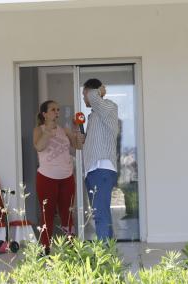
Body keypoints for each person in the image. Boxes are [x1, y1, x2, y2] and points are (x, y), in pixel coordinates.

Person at [33, 100, 83, 254]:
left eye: (58, 109)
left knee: (67, 213)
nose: (57, 112)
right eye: (53, 109)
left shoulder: (64, 130)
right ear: (45, 114)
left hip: (67, 177)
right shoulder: (39, 130)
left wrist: (77, 133)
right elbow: (39, 146)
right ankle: (45, 248)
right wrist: (48, 131)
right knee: (47, 214)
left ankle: (72, 246)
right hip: (46, 177)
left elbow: (78, 146)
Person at [81, 78, 119, 241]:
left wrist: (98, 90)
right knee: (100, 213)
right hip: (93, 170)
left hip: (102, 168)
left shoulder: (109, 107)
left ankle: (105, 256)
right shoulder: (94, 116)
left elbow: (93, 96)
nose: (84, 98)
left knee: (100, 215)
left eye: (84, 94)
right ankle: (109, 252)